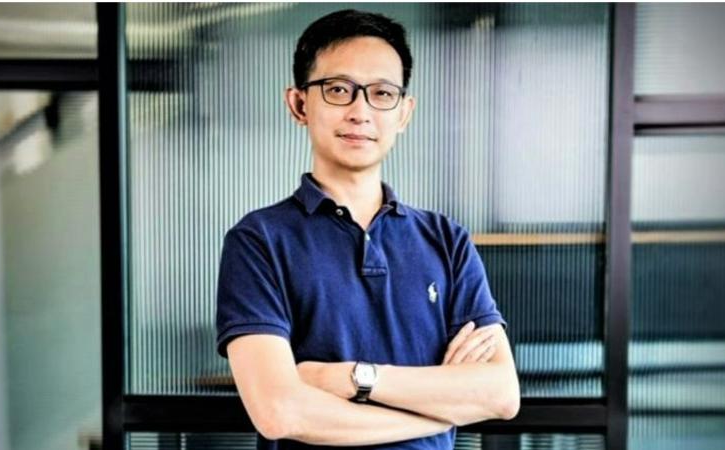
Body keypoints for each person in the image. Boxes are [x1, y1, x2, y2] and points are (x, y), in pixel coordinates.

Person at [216, 9, 520, 449]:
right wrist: (439, 414)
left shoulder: (446, 240)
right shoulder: (258, 241)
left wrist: (354, 378)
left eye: (382, 93)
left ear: (404, 113)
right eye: (338, 90)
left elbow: (501, 394)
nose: (360, 112)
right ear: (299, 104)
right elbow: (280, 412)